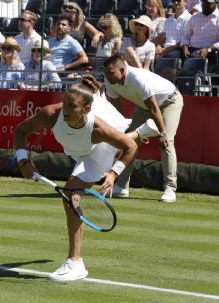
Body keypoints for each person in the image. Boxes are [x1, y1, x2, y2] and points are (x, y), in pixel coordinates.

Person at [13, 75, 138, 281]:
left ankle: (75, 262)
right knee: (71, 192)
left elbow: (130, 147)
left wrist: (113, 173)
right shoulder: (52, 114)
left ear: (86, 109)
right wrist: (23, 161)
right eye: (64, 103)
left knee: (70, 194)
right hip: (75, 148)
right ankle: (141, 130)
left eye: (72, 106)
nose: (65, 110)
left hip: (97, 151)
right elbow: (21, 130)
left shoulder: (98, 128)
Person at [103, 55, 184, 203]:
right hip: (145, 106)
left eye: (110, 72)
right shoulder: (110, 81)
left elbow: (154, 107)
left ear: (122, 70)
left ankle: (170, 189)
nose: (107, 76)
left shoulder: (137, 78)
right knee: (127, 142)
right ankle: (121, 186)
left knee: (166, 142)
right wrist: (121, 131)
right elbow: (116, 108)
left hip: (169, 102)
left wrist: (162, 133)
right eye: (105, 73)